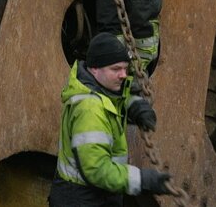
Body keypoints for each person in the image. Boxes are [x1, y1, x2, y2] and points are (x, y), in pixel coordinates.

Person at [48, 33, 172, 206]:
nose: (123, 75)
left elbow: (114, 101)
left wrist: (135, 106)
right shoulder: (89, 109)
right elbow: (96, 170)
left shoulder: (101, 91)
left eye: (124, 68)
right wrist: (141, 180)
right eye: (116, 69)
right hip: (81, 199)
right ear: (95, 69)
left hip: (98, 196)